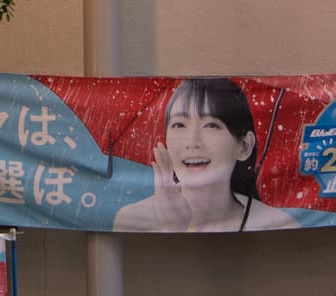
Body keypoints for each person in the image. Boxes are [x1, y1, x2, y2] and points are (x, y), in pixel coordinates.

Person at [113, 76, 298, 233]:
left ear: (244, 146)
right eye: (179, 125)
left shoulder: (275, 222)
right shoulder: (132, 219)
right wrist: (171, 228)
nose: (192, 142)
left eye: (211, 125)